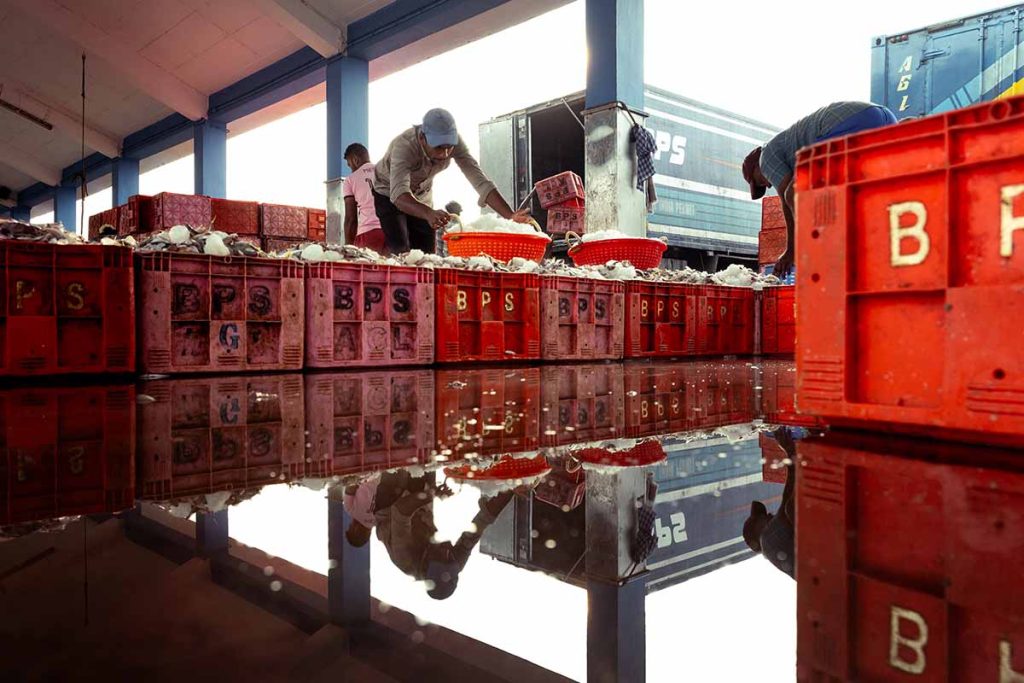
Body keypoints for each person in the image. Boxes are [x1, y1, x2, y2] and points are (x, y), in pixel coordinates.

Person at [743, 102, 897, 275]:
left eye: (760, 182)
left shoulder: (765, 158)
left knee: (795, 192)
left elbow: (791, 197)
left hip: (852, 122)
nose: (768, 185)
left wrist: (792, 252)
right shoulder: (787, 145)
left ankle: (820, 255)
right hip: (886, 119)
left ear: (756, 167)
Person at [373, 108, 528, 254]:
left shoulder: (455, 142)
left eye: (449, 147)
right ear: (422, 138)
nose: (445, 153)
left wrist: (510, 216)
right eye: (439, 148)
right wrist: (428, 213)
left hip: (421, 195)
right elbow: (399, 195)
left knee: (425, 254)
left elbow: (479, 180)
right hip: (389, 193)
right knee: (401, 249)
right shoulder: (404, 146)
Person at [743, 427, 798, 578]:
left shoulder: (775, 549)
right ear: (757, 530)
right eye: (764, 517)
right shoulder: (768, 540)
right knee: (792, 507)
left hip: (827, 570)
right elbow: (788, 499)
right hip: (829, 565)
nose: (770, 514)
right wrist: (790, 454)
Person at [342, 143, 387, 253]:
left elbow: (351, 219)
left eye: (349, 165)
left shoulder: (350, 180)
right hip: (392, 232)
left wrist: (348, 248)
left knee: (367, 268)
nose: (351, 169)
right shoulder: (386, 172)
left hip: (368, 234)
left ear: (355, 160)